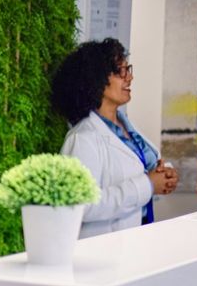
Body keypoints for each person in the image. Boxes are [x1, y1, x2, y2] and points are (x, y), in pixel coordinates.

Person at [52, 38, 178, 238]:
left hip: (137, 242)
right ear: (97, 79)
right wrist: (147, 185)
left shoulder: (127, 127)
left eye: (128, 69)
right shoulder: (83, 138)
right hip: (103, 250)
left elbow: (140, 167)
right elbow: (78, 204)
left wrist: (164, 175)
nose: (129, 77)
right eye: (120, 71)